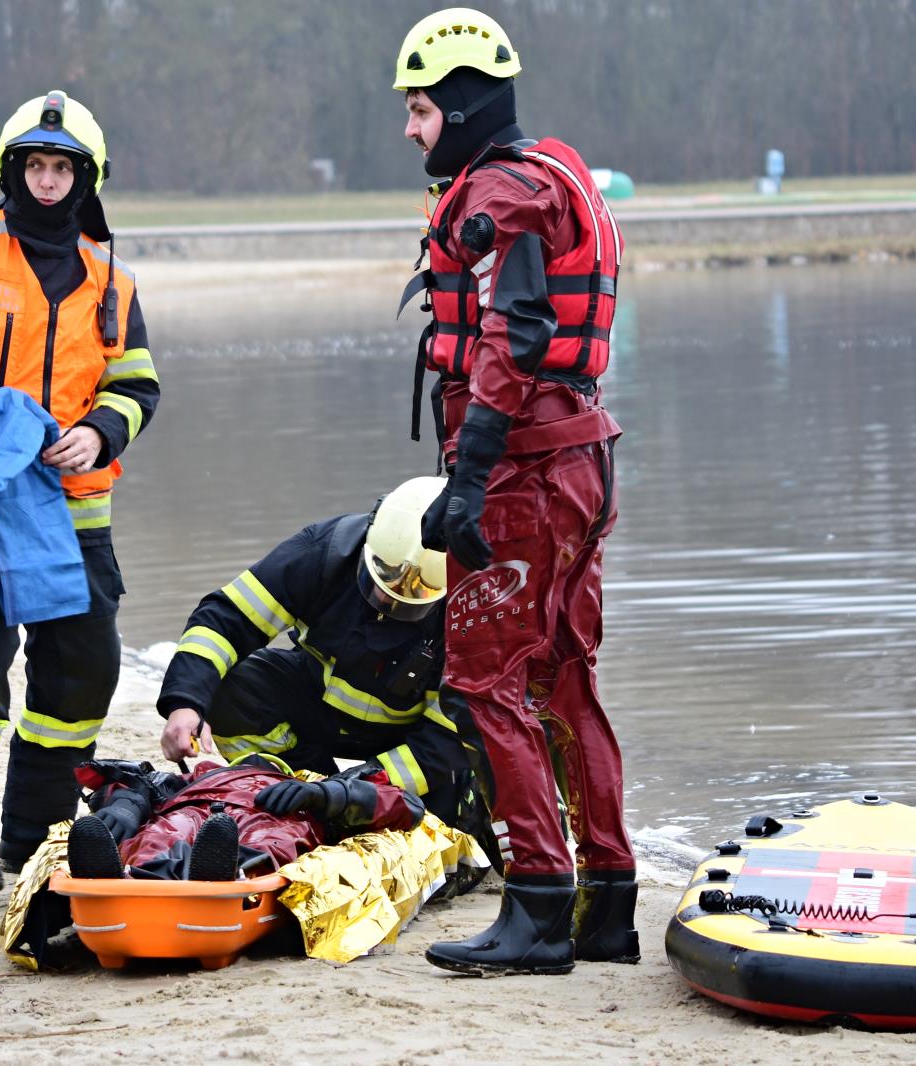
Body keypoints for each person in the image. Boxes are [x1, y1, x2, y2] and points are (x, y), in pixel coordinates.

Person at [391, 8, 637, 974]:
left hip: (527, 474)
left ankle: (537, 903)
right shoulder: (547, 173)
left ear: (458, 105)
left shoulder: (500, 196)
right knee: (563, 678)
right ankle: (606, 901)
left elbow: (515, 335)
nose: (410, 129)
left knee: (484, 680)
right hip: (579, 460)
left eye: (418, 110)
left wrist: (470, 479)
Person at [0, 90, 160, 893]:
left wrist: (99, 432)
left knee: (81, 673)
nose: (49, 182)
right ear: (10, 170)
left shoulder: (110, 277)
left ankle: (36, 837)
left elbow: (137, 385)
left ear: (88, 180)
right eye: (36, 166)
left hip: (75, 506)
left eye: (64, 168)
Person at [156, 477, 475, 833]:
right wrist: (185, 703)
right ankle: (295, 793)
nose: (389, 599)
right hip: (319, 709)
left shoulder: (474, 610)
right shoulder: (325, 551)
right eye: (382, 577)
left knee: (430, 829)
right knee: (233, 692)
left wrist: (346, 793)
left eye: (413, 593)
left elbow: (442, 743)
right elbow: (226, 618)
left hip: (411, 742)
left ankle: (332, 800)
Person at [66, 755, 425, 882]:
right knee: (164, 833)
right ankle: (127, 874)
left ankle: (225, 870)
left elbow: (406, 807)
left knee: (272, 842)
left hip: (278, 813)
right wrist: (126, 806)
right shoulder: (203, 774)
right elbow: (142, 784)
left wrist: (325, 795)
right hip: (196, 803)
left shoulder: (305, 787)